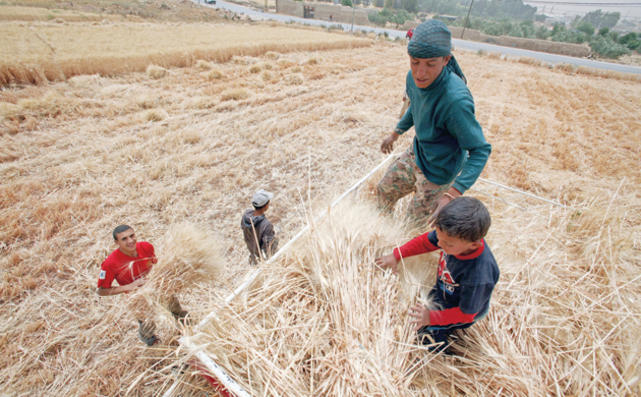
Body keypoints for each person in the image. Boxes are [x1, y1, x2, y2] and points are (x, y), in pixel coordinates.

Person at [377, 19, 491, 230]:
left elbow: (480, 151)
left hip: (439, 171)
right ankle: (382, 236)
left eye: (430, 64)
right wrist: (395, 134)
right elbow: (416, 106)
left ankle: (403, 252)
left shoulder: (455, 101)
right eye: (414, 62)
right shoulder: (413, 79)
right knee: (383, 191)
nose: (420, 72)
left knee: (412, 227)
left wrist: (451, 194)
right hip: (417, 153)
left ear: (446, 59)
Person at [375, 197, 499, 353]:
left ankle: (440, 352)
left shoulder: (479, 275)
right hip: (443, 290)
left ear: (474, 244)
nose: (439, 244)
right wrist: (396, 255)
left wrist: (430, 318)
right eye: (439, 238)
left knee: (430, 335)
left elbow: (466, 314)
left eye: (447, 243)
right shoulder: (451, 238)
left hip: (459, 308)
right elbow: (426, 242)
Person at [96, 225, 187, 346]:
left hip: (158, 288)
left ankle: (186, 327)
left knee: (175, 307)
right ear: (116, 242)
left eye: (132, 236)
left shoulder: (146, 246)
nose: (130, 241)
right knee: (148, 324)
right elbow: (101, 291)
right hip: (139, 299)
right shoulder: (110, 264)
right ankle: (150, 341)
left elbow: (155, 264)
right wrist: (130, 286)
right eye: (124, 239)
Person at [241, 189, 278, 265]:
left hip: (253, 258)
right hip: (262, 263)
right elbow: (268, 250)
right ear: (265, 206)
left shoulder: (246, 217)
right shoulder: (266, 225)